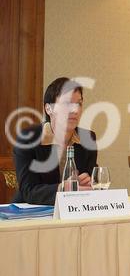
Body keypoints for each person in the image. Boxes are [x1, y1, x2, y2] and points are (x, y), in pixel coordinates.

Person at [13, 77, 97, 205]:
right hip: (31, 214)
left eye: (79, 103)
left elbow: (90, 182)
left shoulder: (88, 138)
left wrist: (88, 183)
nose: (75, 110)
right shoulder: (28, 139)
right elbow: (28, 191)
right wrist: (62, 189)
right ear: (48, 109)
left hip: (73, 211)